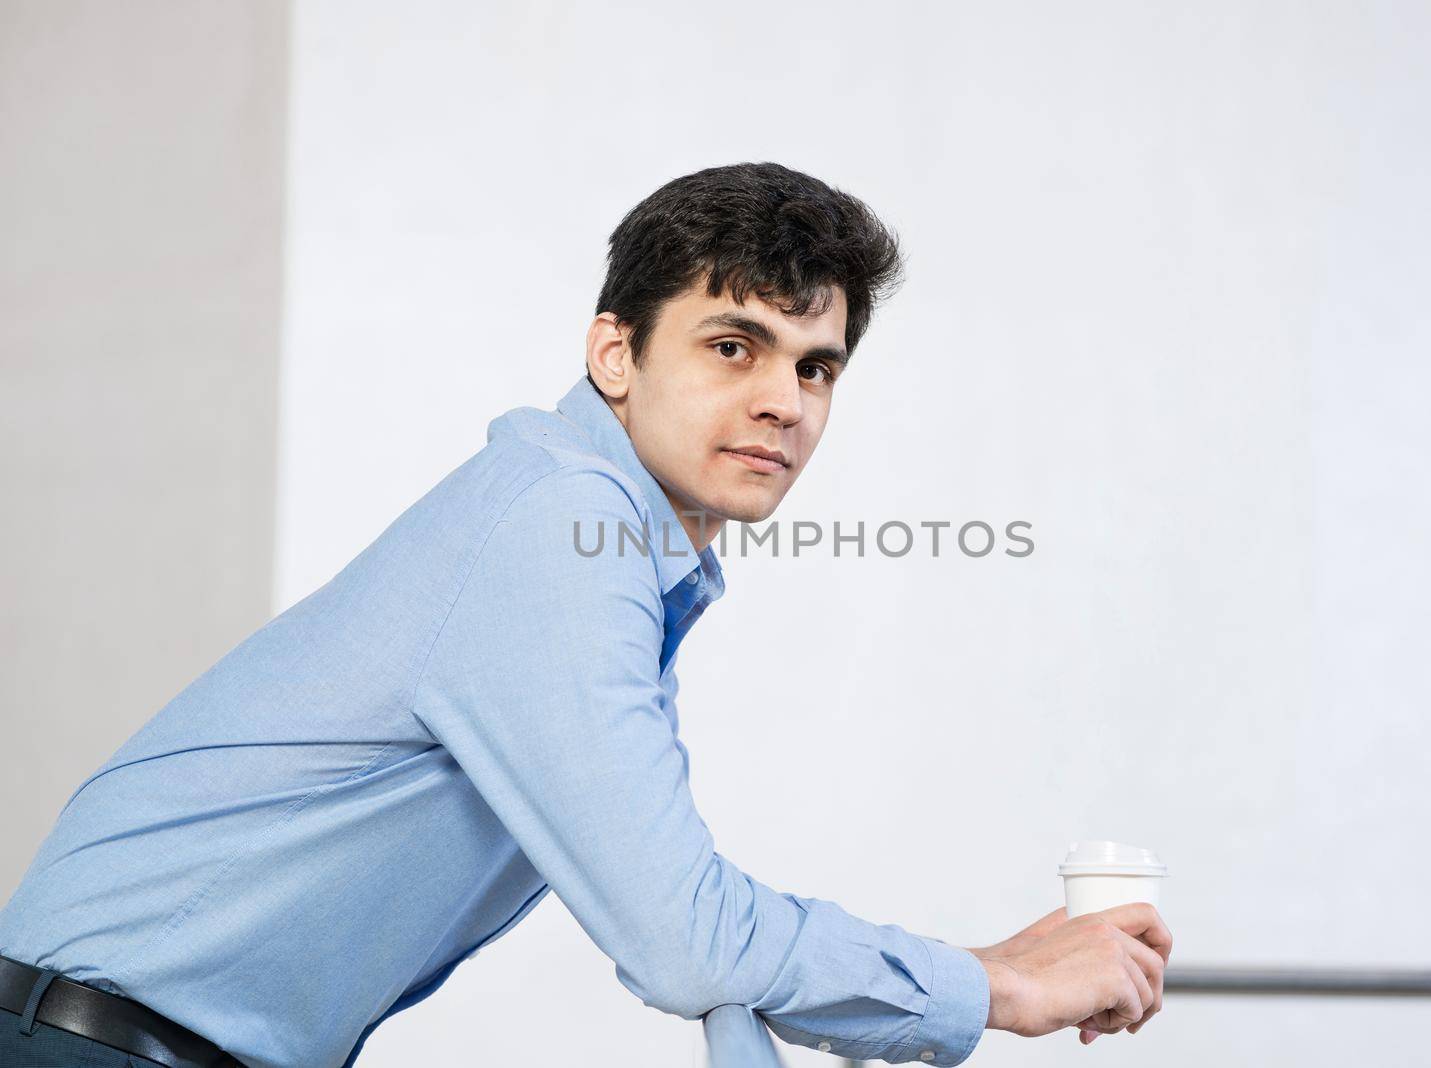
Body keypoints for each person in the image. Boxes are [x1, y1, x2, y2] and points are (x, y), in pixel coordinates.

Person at [0, 161, 1171, 1068]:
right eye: (733, 346)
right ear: (615, 351)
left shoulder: (607, 545)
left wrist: (961, 988)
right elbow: (681, 934)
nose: (782, 402)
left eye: (815, 368)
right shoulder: (558, 528)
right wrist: (990, 986)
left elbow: (686, 937)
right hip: (87, 1044)